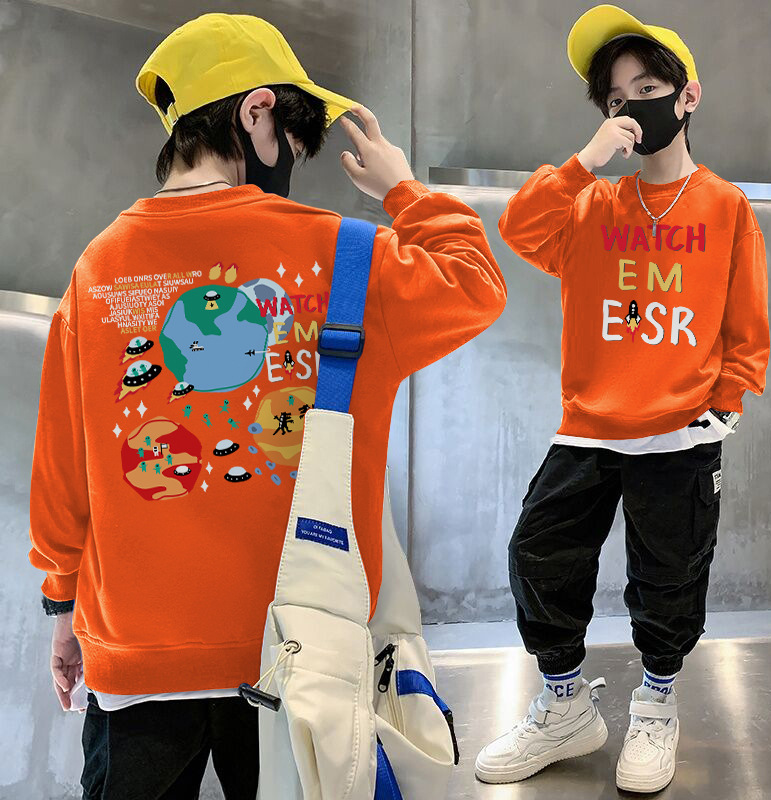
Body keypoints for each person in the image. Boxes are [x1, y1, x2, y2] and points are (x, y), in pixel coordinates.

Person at [27, 12, 507, 798]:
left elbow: (61, 469)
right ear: (258, 112)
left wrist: (62, 607)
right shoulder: (349, 256)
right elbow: (475, 284)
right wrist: (403, 189)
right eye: (292, 137)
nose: (290, 162)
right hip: (300, 662)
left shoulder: (98, 269)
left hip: (138, 657)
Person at [475, 4, 769, 793]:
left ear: (687, 96)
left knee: (669, 580)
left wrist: (725, 405)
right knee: (538, 557)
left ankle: (657, 704)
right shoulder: (592, 206)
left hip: (680, 434)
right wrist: (587, 160)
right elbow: (520, 229)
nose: (630, 106)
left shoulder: (726, 206)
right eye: (614, 98)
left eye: (646, 89)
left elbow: (746, 325)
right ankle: (566, 706)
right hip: (589, 427)